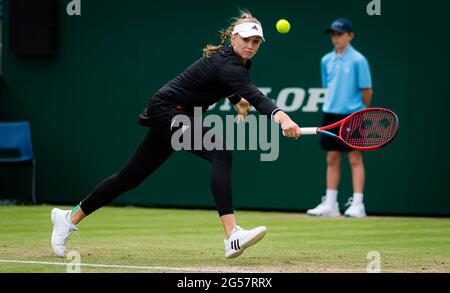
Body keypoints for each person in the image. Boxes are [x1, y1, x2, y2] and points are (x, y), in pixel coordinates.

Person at [51, 11, 302, 259]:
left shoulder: (236, 61)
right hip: (169, 111)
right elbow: (255, 95)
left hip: (175, 113)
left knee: (129, 178)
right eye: (246, 40)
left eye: (255, 42)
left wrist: (236, 99)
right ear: (233, 38)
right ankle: (232, 235)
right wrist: (283, 118)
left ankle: (68, 218)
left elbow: (224, 82)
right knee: (220, 151)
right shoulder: (230, 64)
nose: (250, 46)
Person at [306, 18, 373, 218]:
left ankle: (358, 204)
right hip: (331, 114)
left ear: (350, 35)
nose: (336, 38)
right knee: (332, 157)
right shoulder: (326, 60)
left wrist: (360, 111)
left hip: (353, 114)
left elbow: (367, 90)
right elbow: (328, 86)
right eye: (333, 34)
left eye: (340, 34)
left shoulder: (359, 60)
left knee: (354, 157)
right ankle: (331, 203)